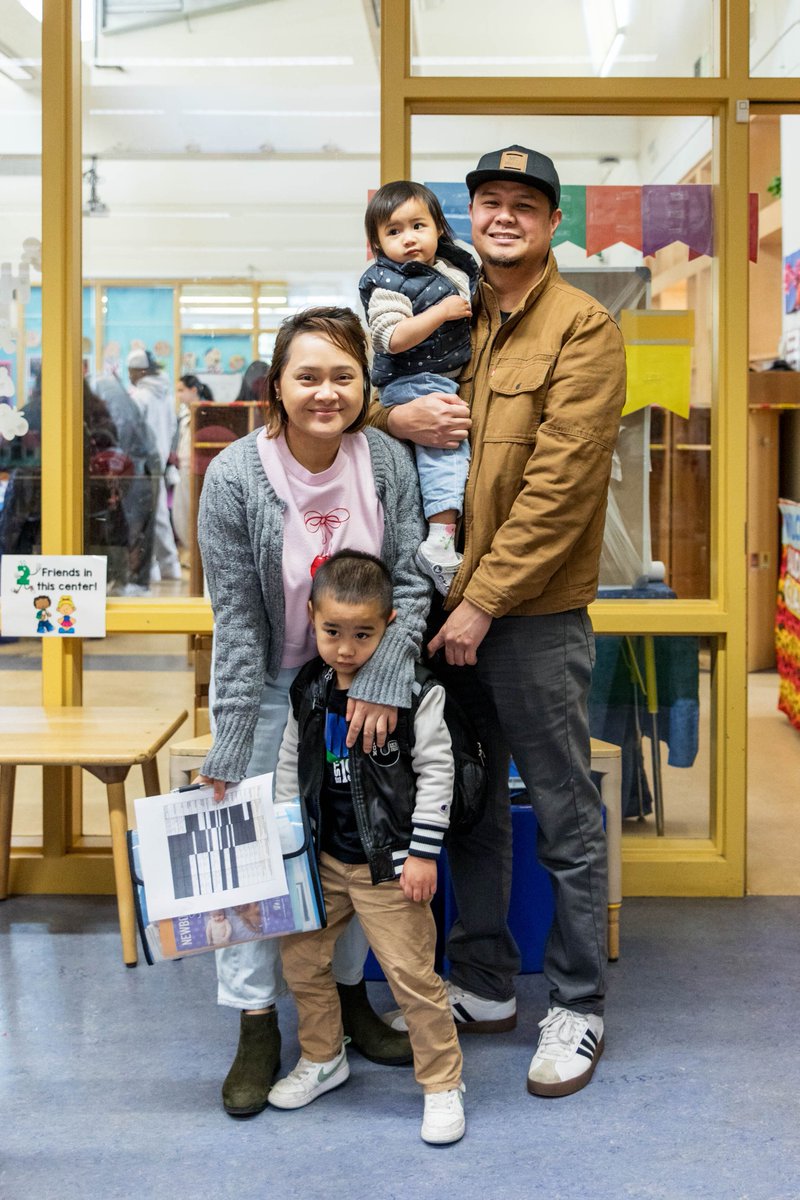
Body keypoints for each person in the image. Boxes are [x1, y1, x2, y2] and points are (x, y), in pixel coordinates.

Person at [374, 146, 627, 1098]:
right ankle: (482, 982)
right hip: (442, 607)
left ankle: (578, 1004)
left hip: (531, 616)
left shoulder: (582, 328)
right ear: (468, 216)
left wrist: (483, 602)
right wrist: (392, 423)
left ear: (554, 222)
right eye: (490, 200)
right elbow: (356, 393)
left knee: (562, 811)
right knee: (467, 800)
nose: (505, 216)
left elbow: (561, 487)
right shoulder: (445, 305)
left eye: (526, 203)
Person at [196, 306, 430, 1118]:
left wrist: (383, 680)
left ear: (365, 385)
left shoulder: (385, 460)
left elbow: (412, 580)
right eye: (307, 376)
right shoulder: (235, 476)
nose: (325, 392)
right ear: (277, 386)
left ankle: (349, 1002)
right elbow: (237, 619)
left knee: (355, 848)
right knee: (254, 862)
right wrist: (232, 742)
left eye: (343, 376)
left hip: (360, 687)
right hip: (270, 689)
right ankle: (256, 1024)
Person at [269, 550, 465, 1145]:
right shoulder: (309, 687)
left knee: (412, 976)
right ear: (311, 618)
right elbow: (289, 761)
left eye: (363, 634)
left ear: (390, 624)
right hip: (323, 861)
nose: (346, 649)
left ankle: (442, 1083)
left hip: (391, 867)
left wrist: (423, 854)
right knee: (302, 960)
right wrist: (288, 841)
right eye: (332, 632)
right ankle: (323, 1057)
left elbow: (437, 773)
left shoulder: (416, 692)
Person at [360, 182, 478, 596]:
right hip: (414, 380)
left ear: (439, 228)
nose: (408, 238)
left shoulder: (450, 267)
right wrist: (442, 312)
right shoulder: (386, 281)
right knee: (446, 450)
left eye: (418, 226)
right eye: (393, 231)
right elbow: (391, 338)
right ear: (377, 243)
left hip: (438, 376)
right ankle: (440, 541)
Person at [127, 347, 182, 583]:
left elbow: (133, 432)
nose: (129, 375)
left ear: (141, 371)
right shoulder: (166, 397)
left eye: (131, 371)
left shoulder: (139, 397)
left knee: (141, 519)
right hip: (158, 462)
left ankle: (149, 569)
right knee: (159, 516)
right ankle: (170, 566)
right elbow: (172, 429)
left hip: (141, 464)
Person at [172, 374, 214, 552]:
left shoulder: (206, 412)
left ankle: (197, 554)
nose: (179, 395)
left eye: (182, 390)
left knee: (194, 514)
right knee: (182, 514)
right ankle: (190, 553)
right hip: (183, 468)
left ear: (193, 390)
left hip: (197, 470)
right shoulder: (184, 415)